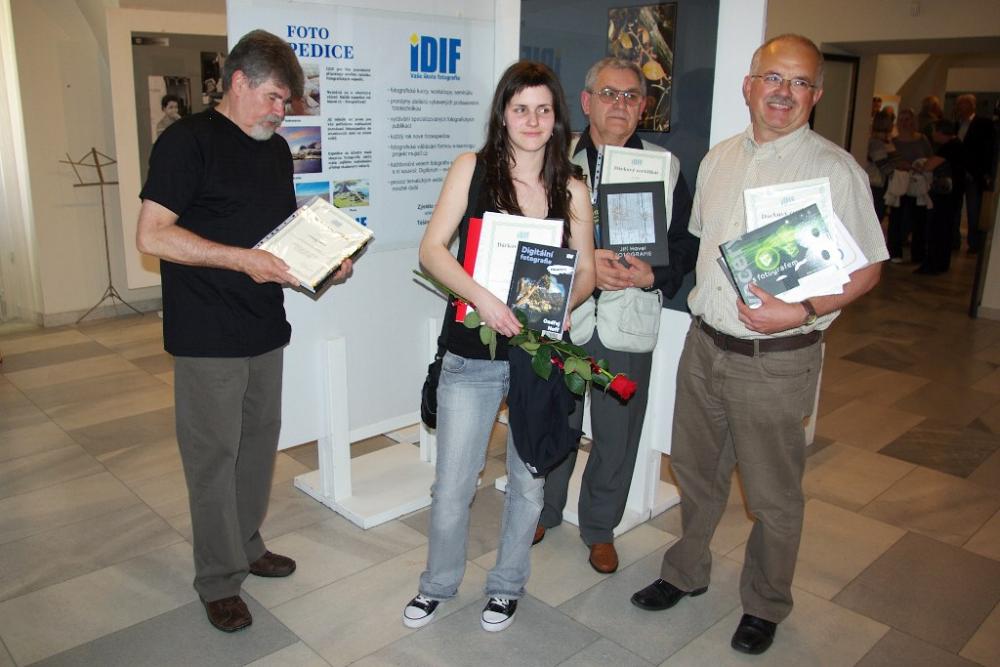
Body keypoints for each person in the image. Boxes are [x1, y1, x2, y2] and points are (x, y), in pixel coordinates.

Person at [629, 35, 887, 656]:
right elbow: (700, 242)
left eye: (800, 83)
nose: (784, 92)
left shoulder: (836, 172)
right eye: (773, 78)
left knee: (773, 496)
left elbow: (868, 268)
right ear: (749, 86)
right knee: (695, 472)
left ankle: (766, 603)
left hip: (776, 362)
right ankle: (685, 572)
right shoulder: (719, 159)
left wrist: (801, 309)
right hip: (704, 349)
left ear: (816, 95)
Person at [135, 30, 354, 633]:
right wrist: (241, 260)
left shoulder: (275, 151)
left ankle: (247, 543)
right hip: (206, 332)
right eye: (274, 98)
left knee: (257, 448)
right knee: (213, 457)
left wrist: (324, 265)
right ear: (238, 82)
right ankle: (218, 578)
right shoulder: (187, 142)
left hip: (263, 325)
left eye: (287, 102)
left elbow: (281, 241)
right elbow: (152, 235)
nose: (282, 112)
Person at [402, 61, 595, 633]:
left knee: (528, 482)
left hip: (539, 356)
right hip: (472, 350)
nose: (532, 121)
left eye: (543, 110)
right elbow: (432, 250)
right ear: (503, 115)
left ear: (557, 117)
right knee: (453, 484)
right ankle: (437, 584)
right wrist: (482, 297)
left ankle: (507, 586)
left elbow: (585, 271)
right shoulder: (473, 169)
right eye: (520, 109)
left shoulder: (572, 186)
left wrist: (562, 303)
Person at [534, 57, 698, 574]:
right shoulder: (552, 158)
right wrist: (584, 265)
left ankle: (600, 528)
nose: (619, 105)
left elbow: (684, 244)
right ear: (587, 102)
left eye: (631, 96)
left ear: (643, 107)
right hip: (567, 315)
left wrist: (652, 275)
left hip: (628, 320)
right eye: (609, 93)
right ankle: (544, 510)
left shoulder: (665, 167)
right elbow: (530, 234)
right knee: (555, 420)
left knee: (617, 433)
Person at [915, 119, 965, 275]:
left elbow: (928, 166)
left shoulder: (949, 147)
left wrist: (921, 166)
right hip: (954, 195)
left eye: (934, 131)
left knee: (937, 229)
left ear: (940, 131)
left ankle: (933, 264)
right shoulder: (957, 144)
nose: (932, 134)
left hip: (944, 196)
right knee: (945, 230)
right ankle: (942, 263)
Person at [885, 107, 933, 263]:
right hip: (900, 182)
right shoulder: (894, 141)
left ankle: (918, 254)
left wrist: (921, 165)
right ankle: (895, 252)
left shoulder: (922, 139)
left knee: (919, 219)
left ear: (913, 121)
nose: (905, 123)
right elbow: (891, 161)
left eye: (908, 119)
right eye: (902, 120)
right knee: (897, 218)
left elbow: (929, 157)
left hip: (918, 183)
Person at [956, 93, 997, 253]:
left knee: (974, 210)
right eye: (959, 105)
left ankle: (975, 243)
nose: (960, 108)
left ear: (972, 106)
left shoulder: (984, 124)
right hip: (958, 173)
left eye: (963, 105)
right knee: (955, 209)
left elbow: (989, 149)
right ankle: (954, 240)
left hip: (975, 173)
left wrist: (986, 172)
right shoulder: (957, 124)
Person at [866, 109, 896, 224]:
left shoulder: (880, 142)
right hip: (875, 183)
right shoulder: (877, 143)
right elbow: (883, 166)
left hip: (877, 183)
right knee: (876, 215)